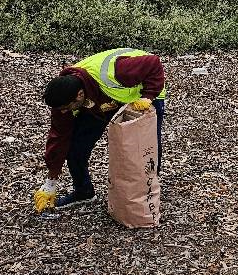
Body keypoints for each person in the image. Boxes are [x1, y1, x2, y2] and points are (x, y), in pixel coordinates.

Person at [34, 48, 166, 211]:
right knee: (76, 147)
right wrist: (50, 183)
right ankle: (84, 192)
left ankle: (147, 190)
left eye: (66, 108)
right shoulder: (63, 101)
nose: (63, 112)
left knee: (146, 146)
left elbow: (153, 63)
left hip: (142, 92)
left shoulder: (117, 72)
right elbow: (59, 137)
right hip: (100, 102)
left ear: (79, 95)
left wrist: (148, 95)